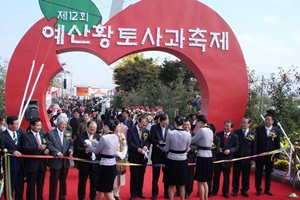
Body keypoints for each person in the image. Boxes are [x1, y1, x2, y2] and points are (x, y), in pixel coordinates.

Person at [158, 115, 191, 200]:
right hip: (183, 159)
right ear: (183, 123)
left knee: (171, 184)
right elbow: (187, 149)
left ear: (175, 123)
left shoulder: (171, 134)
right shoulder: (188, 134)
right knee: (182, 184)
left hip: (172, 159)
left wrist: (159, 146)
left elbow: (166, 149)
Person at [87, 118, 119, 200]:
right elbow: (106, 146)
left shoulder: (104, 138)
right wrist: (94, 142)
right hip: (112, 165)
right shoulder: (115, 137)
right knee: (101, 189)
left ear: (106, 126)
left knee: (106, 191)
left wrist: (89, 145)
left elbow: (96, 151)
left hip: (105, 167)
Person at [46, 115, 74, 200]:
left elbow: (71, 143)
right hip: (55, 162)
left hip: (65, 163)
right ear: (57, 124)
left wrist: (71, 149)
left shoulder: (67, 133)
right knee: (54, 182)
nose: (64, 126)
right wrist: (57, 152)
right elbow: (49, 145)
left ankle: (62, 197)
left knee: (63, 181)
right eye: (62, 124)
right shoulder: (50, 133)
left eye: (65, 124)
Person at [22, 118, 49, 200]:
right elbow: (25, 149)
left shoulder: (43, 134)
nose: (39, 127)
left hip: (42, 165)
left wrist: (46, 150)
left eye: (40, 125)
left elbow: (46, 145)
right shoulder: (26, 136)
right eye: (37, 125)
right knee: (31, 185)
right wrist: (37, 147)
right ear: (32, 126)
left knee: (40, 184)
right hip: (32, 165)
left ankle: (40, 198)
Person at [211, 120, 239, 198]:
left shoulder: (234, 136)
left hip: (227, 159)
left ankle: (225, 192)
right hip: (218, 158)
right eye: (225, 125)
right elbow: (214, 144)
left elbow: (236, 147)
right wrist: (217, 149)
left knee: (226, 177)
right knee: (216, 176)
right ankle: (214, 190)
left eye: (227, 126)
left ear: (231, 128)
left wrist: (230, 151)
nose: (225, 127)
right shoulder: (218, 134)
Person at [255, 114, 281, 196]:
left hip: (270, 156)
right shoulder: (259, 129)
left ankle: (267, 189)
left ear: (272, 121)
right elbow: (256, 143)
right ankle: (258, 189)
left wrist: (277, 155)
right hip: (260, 154)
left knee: (268, 173)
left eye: (268, 120)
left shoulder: (276, 130)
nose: (266, 121)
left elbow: (277, 144)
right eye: (266, 119)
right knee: (258, 172)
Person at [74, 121, 100, 200]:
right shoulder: (81, 136)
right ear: (87, 128)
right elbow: (77, 149)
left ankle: (93, 196)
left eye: (94, 129)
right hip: (84, 163)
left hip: (95, 163)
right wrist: (86, 150)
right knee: (82, 182)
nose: (92, 131)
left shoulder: (98, 137)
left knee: (94, 182)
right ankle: (81, 197)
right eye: (91, 129)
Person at [149, 114, 174, 199]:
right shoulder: (154, 128)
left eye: (166, 123)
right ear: (160, 121)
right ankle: (154, 193)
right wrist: (158, 142)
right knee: (155, 176)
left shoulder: (171, 128)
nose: (165, 125)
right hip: (157, 154)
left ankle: (167, 192)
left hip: (167, 155)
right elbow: (151, 139)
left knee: (167, 175)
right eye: (163, 123)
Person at [0, 115, 25, 200]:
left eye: (18, 124)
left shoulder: (20, 132)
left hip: (21, 165)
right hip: (9, 166)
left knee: (20, 187)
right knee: (10, 186)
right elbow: (1, 150)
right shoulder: (2, 136)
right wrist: (12, 152)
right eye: (16, 124)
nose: (18, 126)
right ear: (10, 125)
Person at [232, 117, 257, 197]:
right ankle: (235, 190)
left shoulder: (253, 134)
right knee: (236, 175)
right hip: (237, 157)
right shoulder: (236, 132)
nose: (242, 124)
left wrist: (253, 159)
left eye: (244, 123)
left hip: (247, 158)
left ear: (249, 124)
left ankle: (244, 190)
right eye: (242, 122)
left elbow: (254, 147)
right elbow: (234, 144)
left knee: (246, 175)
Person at [127, 115, 150, 200]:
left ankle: (140, 191)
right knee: (134, 176)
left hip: (143, 157)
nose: (144, 127)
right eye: (143, 125)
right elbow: (130, 142)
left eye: (145, 125)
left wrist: (146, 147)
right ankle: (133, 193)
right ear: (138, 122)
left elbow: (148, 141)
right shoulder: (131, 130)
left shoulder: (146, 131)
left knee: (141, 175)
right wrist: (137, 149)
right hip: (134, 156)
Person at [191, 115, 213, 200]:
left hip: (202, 156)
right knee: (205, 181)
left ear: (200, 122)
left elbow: (193, 140)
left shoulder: (201, 130)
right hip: (209, 156)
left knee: (200, 181)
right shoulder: (210, 130)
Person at [113, 119, 128, 200]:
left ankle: (117, 193)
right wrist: (118, 153)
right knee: (114, 176)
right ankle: (111, 193)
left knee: (120, 177)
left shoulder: (121, 135)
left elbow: (125, 145)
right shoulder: (111, 135)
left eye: (119, 126)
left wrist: (123, 153)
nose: (119, 128)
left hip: (121, 159)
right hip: (114, 159)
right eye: (118, 126)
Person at [206, 123, 220, 197]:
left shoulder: (217, 139)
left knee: (210, 176)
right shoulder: (204, 137)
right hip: (204, 159)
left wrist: (208, 153)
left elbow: (217, 150)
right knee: (203, 176)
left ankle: (209, 191)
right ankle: (203, 190)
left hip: (212, 160)